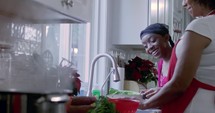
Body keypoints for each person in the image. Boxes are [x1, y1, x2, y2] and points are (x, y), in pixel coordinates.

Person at [139, 0, 215, 113]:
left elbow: (179, 85)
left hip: (191, 105)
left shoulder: (201, 26)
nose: (183, 4)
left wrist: (144, 105)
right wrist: (162, 90)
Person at [140, 23, 174, 99]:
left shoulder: (179, 59)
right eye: (145, 46)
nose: (149, 47)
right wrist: (150, 92)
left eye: (153, 41)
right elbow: (161, 89)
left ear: (166, 38)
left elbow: (183, 88)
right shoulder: (160, 64)